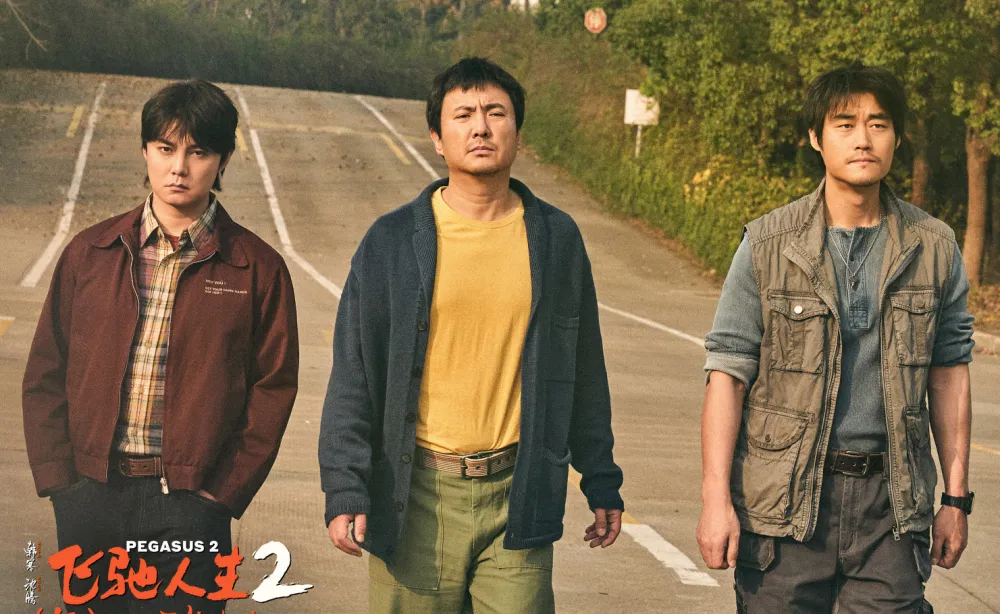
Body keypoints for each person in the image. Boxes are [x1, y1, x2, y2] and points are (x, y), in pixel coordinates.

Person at [319, 57, 625, 613]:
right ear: (438, 138)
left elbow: (582, 368)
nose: (480, 127)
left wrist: (600, 477)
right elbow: (354, 374)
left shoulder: (557, 240)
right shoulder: (390, 242)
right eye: (463, 115)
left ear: (518, 131)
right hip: (416, 494)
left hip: (518, 492)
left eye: (495, 113)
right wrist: (345, 486)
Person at [697, 61, 975, 613]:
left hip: (891, 509)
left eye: (878, 124)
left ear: (897, 138)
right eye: (845, 125)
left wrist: (956, 498)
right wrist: (715, 500)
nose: (863, 139)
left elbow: (949, 374)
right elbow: (727, 376)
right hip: (784, 505)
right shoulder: (767, 244)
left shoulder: (935, 247)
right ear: (815, 138)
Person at [22, 79, 299, 614]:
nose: (179, 168)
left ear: (223, 160)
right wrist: (62, 483)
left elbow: (273, 389)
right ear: (145, 151)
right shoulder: (90, 252)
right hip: (90, 498)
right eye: (166, 148)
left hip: (191, 508)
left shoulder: (257, 268)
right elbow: (46, 371)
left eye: (198, 152)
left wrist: (220, 495)